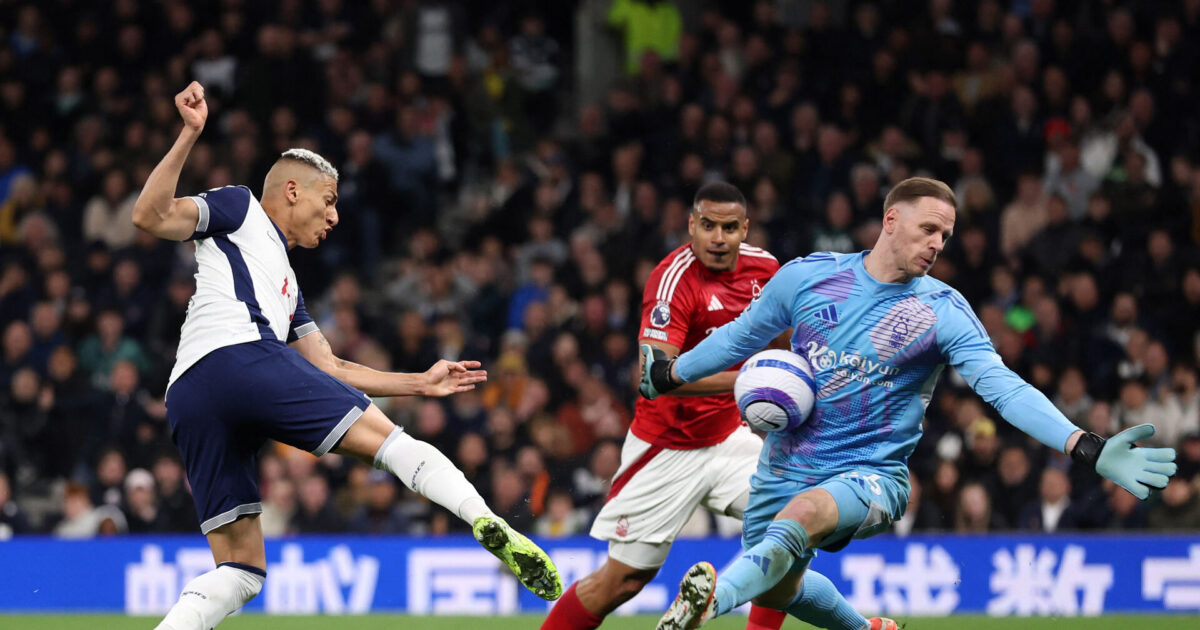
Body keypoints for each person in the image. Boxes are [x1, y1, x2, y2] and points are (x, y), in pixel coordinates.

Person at [641, 177, 1178, 630]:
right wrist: (670, 372)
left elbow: (1003, 386)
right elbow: (740, 336)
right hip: (785, 462)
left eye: (945, 235)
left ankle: (706, 605)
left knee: (802, 519)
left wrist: (1085, 445)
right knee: (780, 589)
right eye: (929, 229)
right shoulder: (808, 277)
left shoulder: (942, 310)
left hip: (871, 474)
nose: (937, 244)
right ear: (890, 220)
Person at [132, 82, 561, 630]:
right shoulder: (239, 206)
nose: (333, 217)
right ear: (291, 190)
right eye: (328, 200)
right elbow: (149, 215)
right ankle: (484, 519)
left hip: (189, 393)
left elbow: (330, 367)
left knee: (241, 569)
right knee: (393, 446)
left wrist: (420, 383)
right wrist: (190, 133)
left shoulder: (286, 285)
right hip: (243, 356)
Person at [542, 182, 789, 630]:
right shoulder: (672, 280)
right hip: (666, 446)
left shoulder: (765, 269)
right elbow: (653, 380)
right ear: (692, 225)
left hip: (729, 437)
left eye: (730, 228)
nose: (718, 238)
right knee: (620, 582)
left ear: (745, 230)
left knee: (791, 525)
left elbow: (787, 341)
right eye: (708, 226)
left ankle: (714, 612)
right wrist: (750, 382)